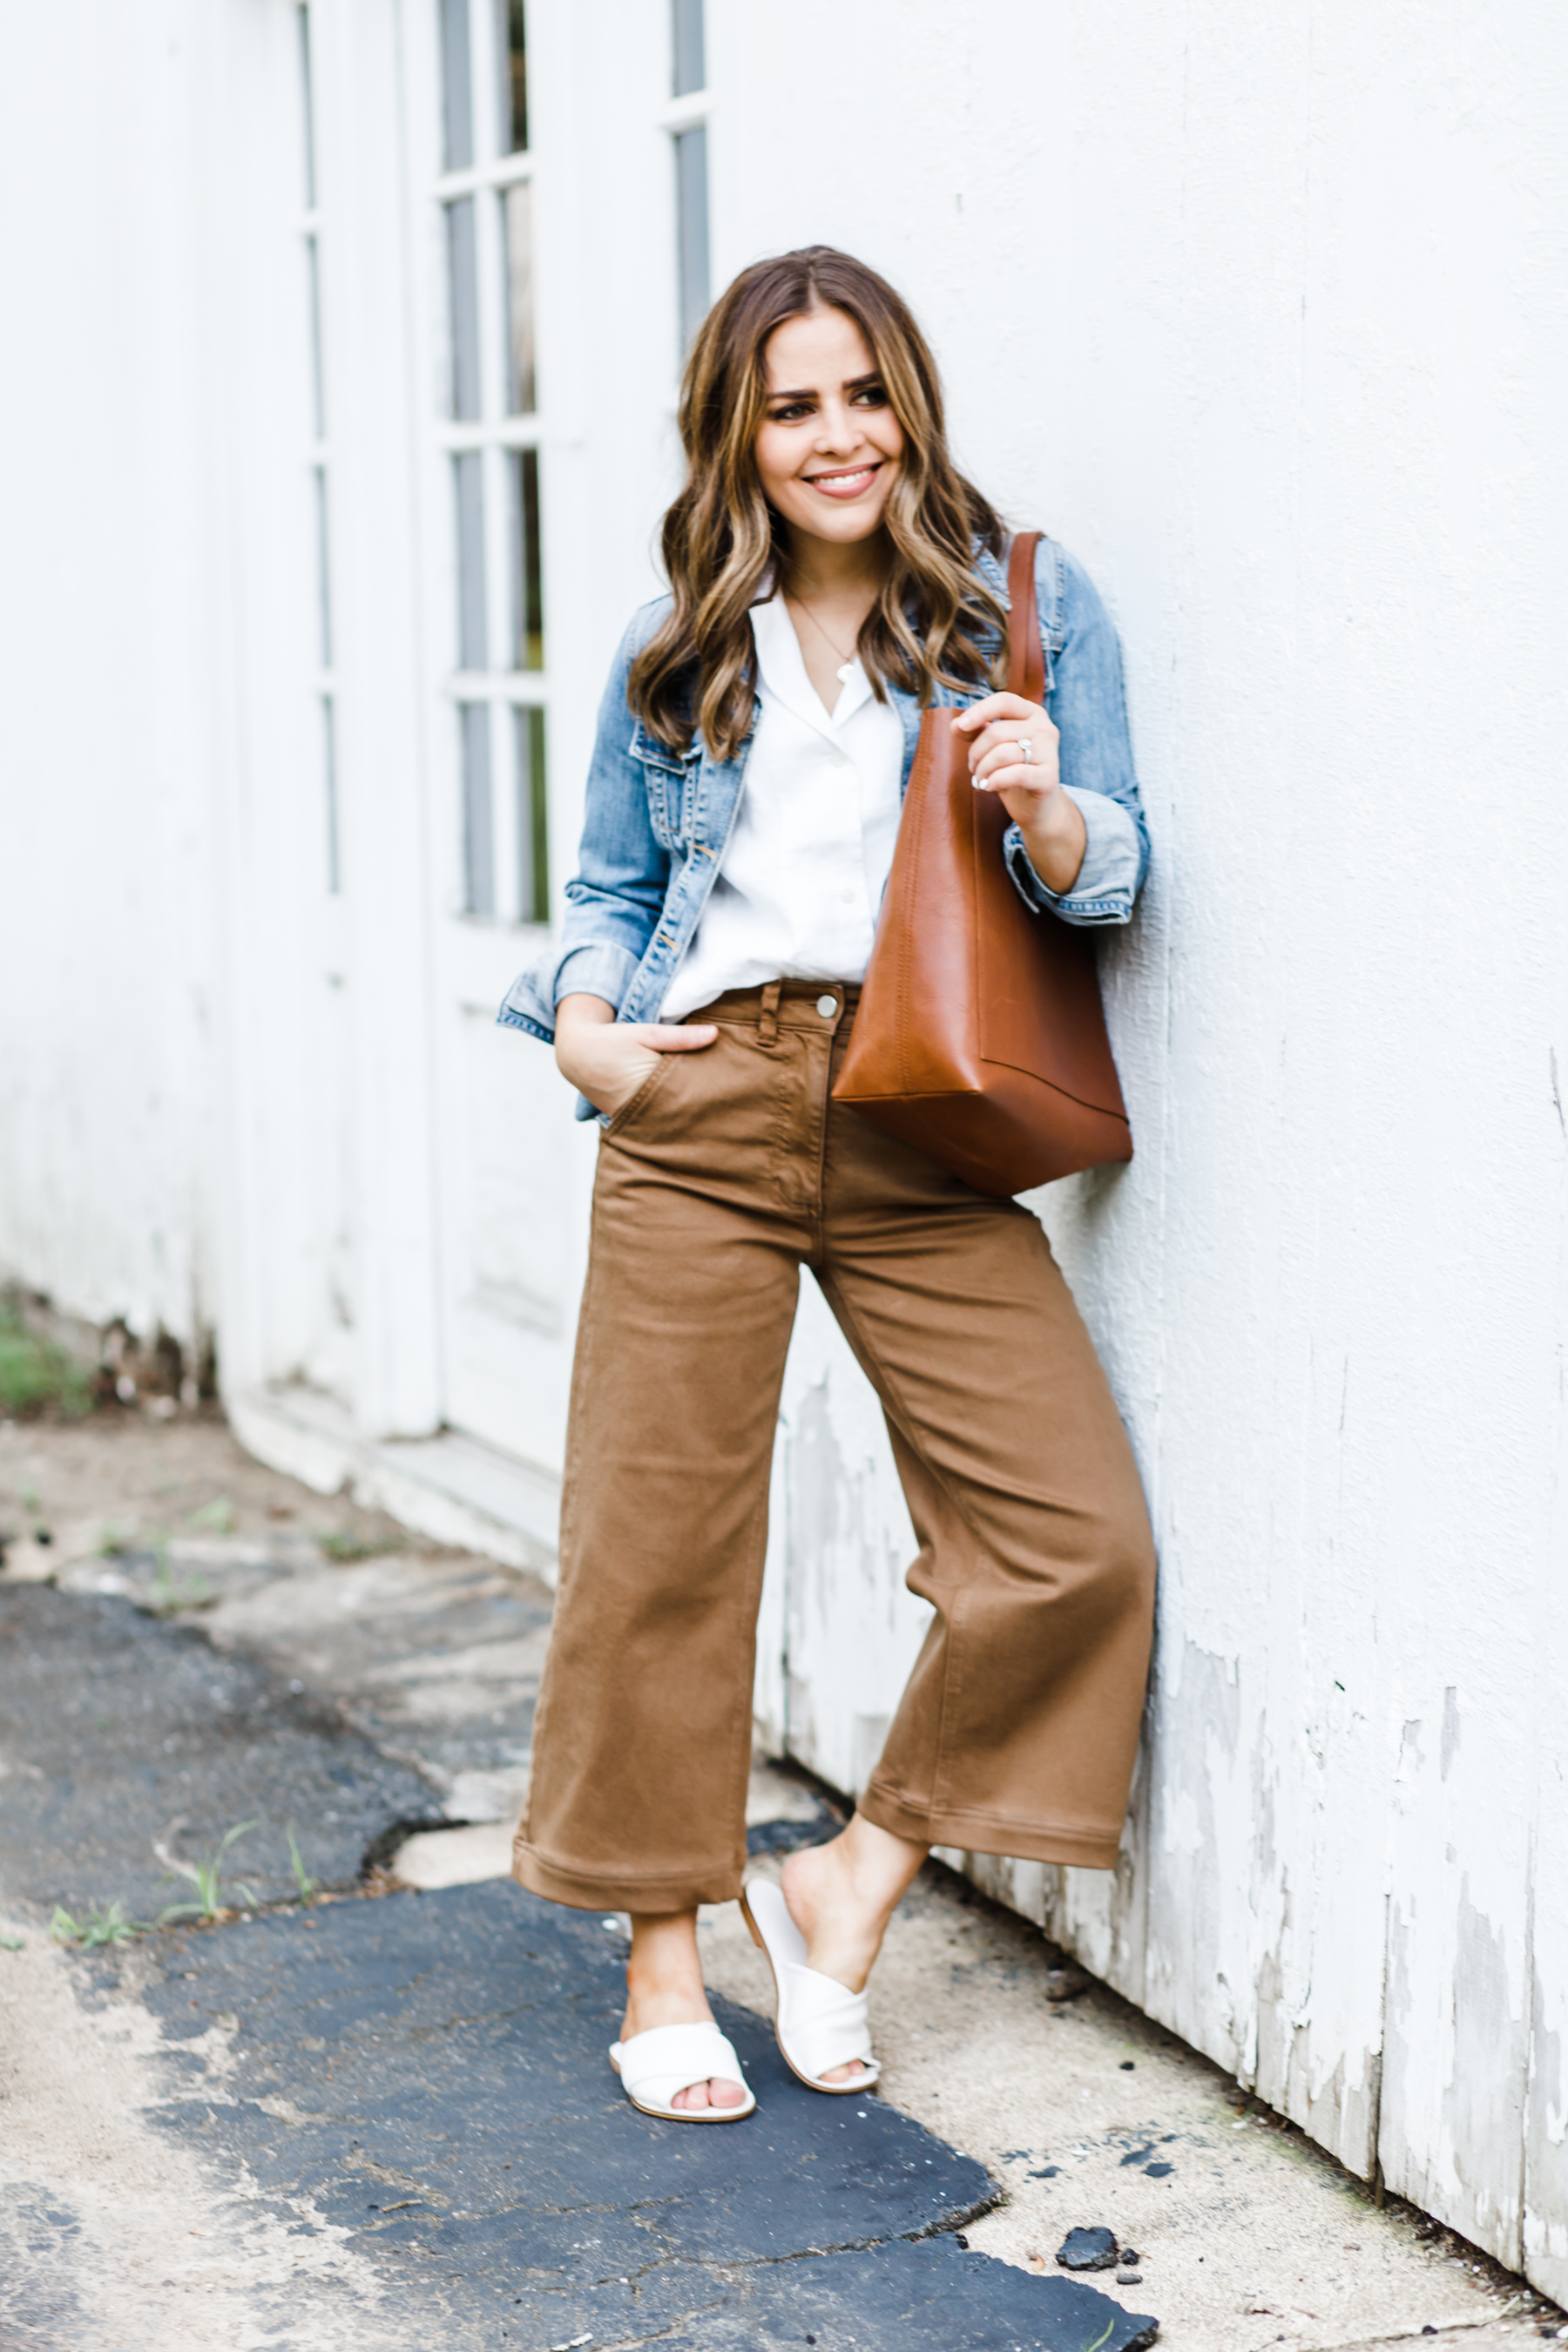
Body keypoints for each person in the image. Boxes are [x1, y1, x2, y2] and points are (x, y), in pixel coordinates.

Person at [498, 245, 1156, 2123]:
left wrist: (1045, 808)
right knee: (656, 1553)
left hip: (913, 1104)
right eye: (793, 406)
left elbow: (1112, 871)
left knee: (1071, 1542)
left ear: (909, 402)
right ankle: (658, 1956)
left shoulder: (1012, 607)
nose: (838, 435)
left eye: (863, 393)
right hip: (702, 1101)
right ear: (740, 432)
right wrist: (583, 1028)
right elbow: (613, 898)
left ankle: (844, 1885)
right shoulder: (677, 638)